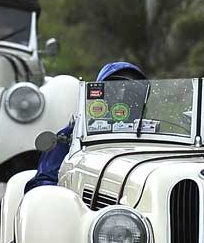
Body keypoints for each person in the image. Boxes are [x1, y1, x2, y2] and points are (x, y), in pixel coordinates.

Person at [23, 61, 147, 191]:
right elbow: (44, 181)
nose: (123, 94)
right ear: (99, 93)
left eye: (133, 89)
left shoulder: (154, 134)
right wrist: (64, 198)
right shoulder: (73, 134)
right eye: (115, 87)